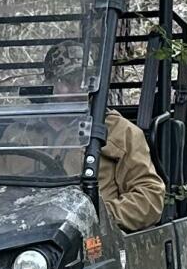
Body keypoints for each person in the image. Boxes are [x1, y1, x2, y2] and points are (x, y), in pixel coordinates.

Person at [42, 38, 165, 227]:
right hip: (25, 240)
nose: (78, 90)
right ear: (49, 84)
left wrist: (94, 217)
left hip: (94, 245)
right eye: (67, 81)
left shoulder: (119, 131)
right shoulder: (20, 132)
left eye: (83, 81)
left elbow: (150, 198)